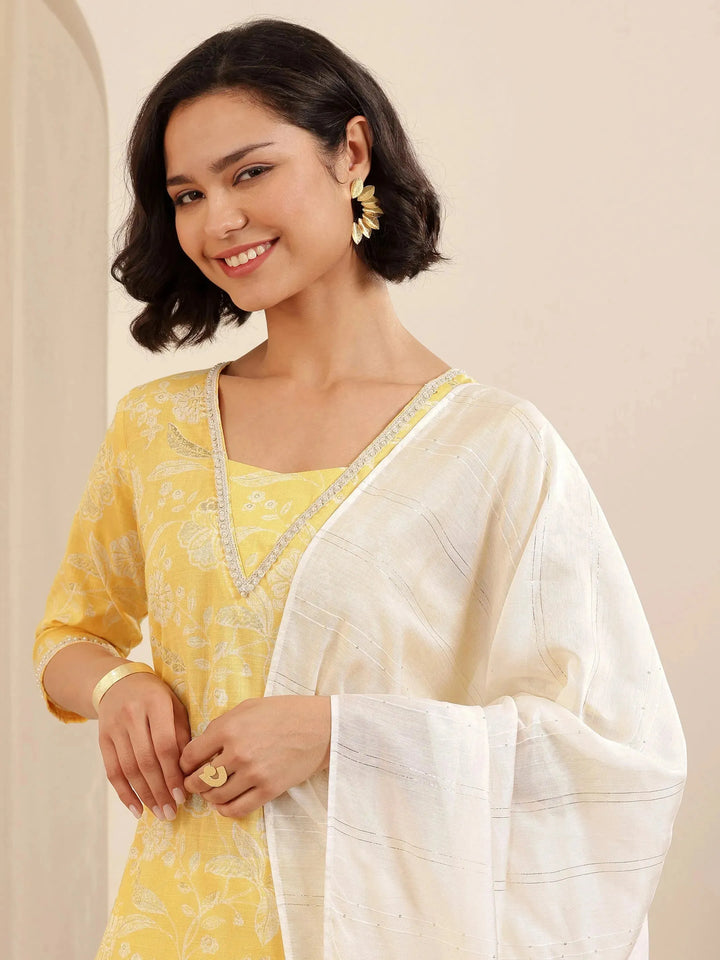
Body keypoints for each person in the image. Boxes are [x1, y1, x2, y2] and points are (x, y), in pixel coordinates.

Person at [33, 16, 686, 960]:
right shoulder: (155, 428)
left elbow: (612, 750)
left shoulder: (492, 448)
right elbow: (69, 634)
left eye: (250, 172)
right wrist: (118, 683)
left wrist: (338, 735)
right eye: (188, 195)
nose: (218, 221)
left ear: (351, 152)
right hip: (168, 928)